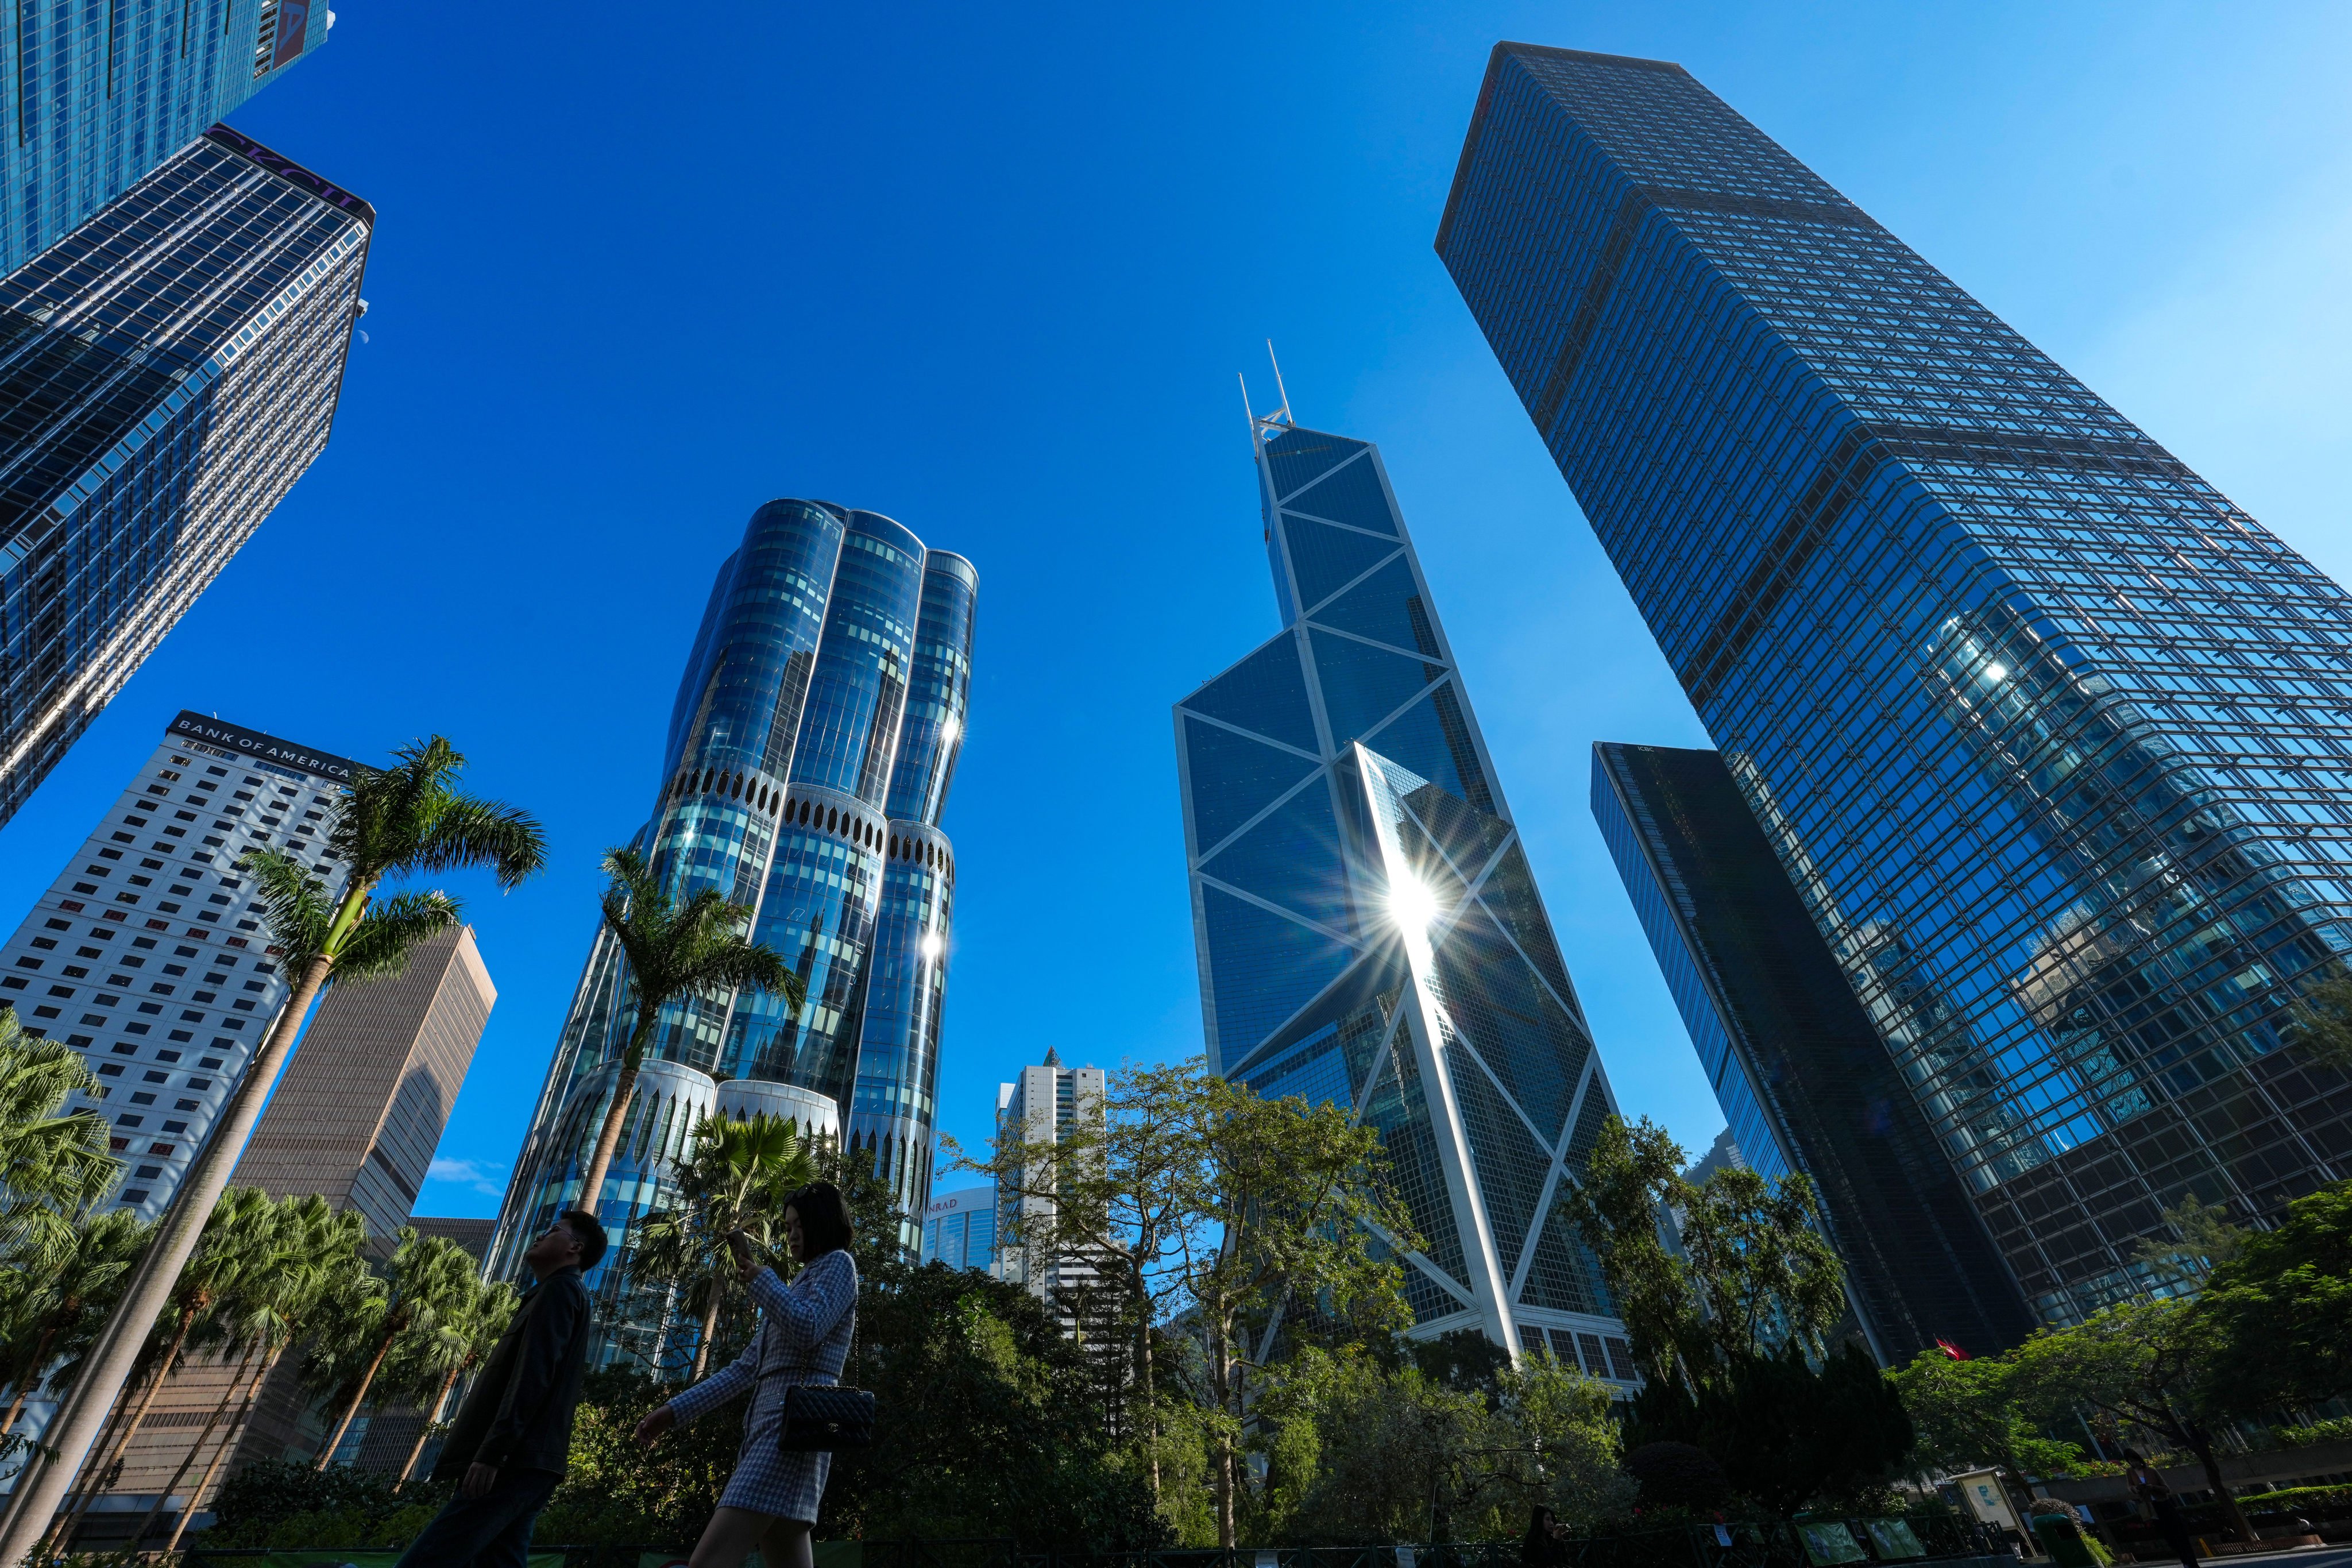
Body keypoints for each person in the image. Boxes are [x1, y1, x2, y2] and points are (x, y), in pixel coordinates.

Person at [635, 1181, 860, 1568]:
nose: (790, 1236)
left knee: (708, 1562)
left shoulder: (839, 1265)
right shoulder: (801, 1280)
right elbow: (745, 1370)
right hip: (780, 1430)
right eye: (787, 1227)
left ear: (821, 1223)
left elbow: (808, 1327)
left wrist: (761, 1279)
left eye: (796, 1226)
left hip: (789, 1430)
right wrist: (673, 1412)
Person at [395, 1210, 605, 1568]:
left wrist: (495, 1452)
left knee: (429, 1560)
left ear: (575, 1248)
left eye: (554, 1230)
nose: (540, 1234)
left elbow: (533, 1376)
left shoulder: (559, 1291)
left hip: (515, 1461)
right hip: (531, 1462)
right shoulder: (555, 1293)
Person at [2124, 1449, 2199, 1568]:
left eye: (2136, 1460)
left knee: (2180, 1534)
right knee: (2169, 1537)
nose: (2134, 1463)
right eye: (2131, 1461)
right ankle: (2184, 1559)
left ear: (2140, 1460)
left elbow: (2166, 1488)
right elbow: (2130, 1487)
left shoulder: (2151, 1471)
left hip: (2163, 1503)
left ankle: (2190, 1562)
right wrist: (2137, 1489)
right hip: (2150, 1507)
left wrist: (2153, 1487)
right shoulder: (2130, 1472)